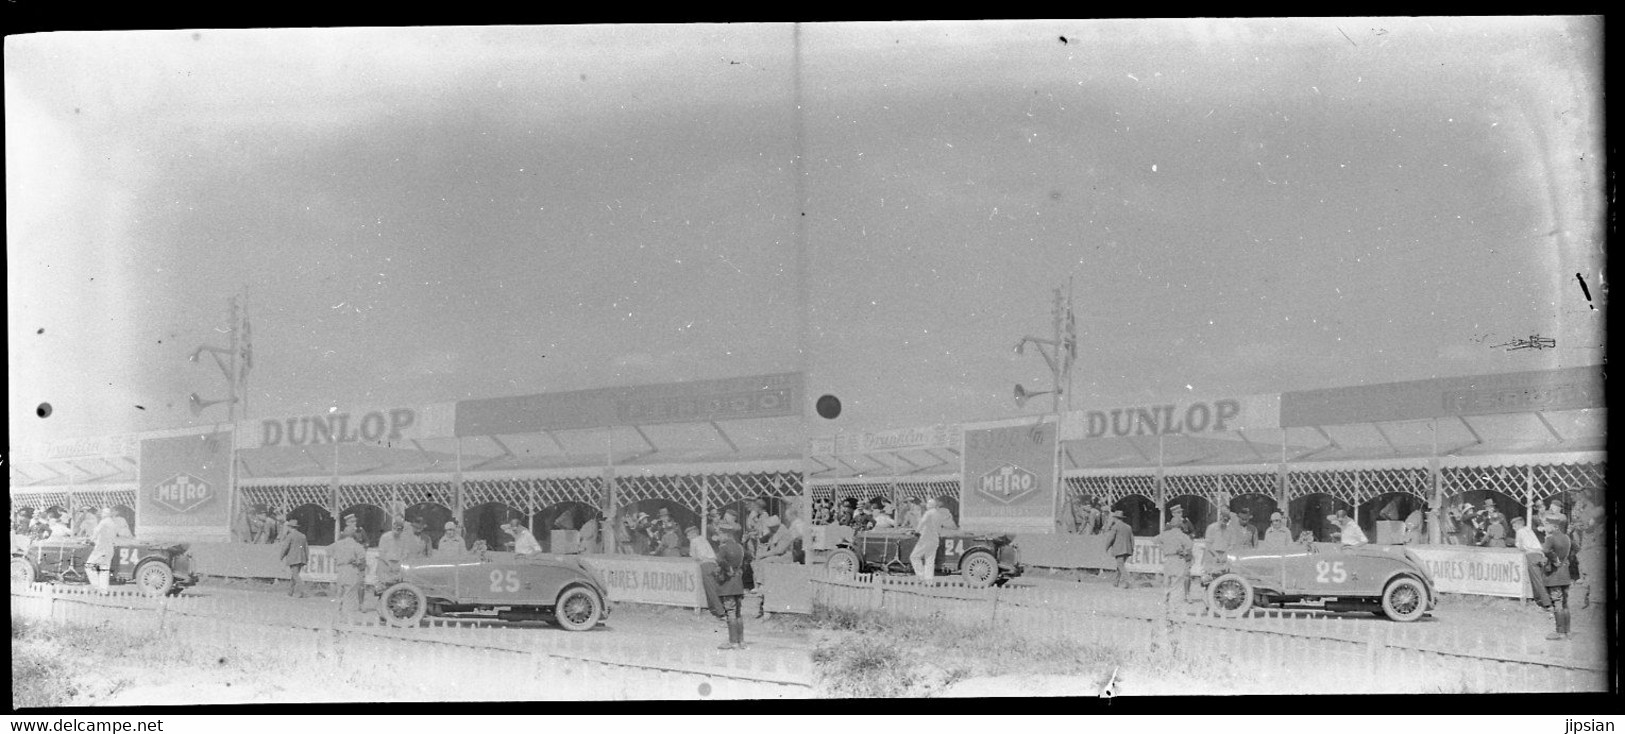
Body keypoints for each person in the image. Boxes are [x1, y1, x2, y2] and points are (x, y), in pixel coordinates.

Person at [1539, 516, 1574, 640]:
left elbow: (1545, 550)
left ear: (1554, 526)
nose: (1545, 527)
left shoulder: (1550, 538)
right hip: (1565, 575)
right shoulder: (1566, 538)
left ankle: (1560, 633)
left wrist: (1554, 560)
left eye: (1547, 524)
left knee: (1557, 602)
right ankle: (1567, 632)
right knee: (1565, 604)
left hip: (1554, 575)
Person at [713, 526, 748, 650]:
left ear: (726, 534)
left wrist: (728, 570)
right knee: (738, 613)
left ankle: (733, 642)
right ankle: (741, 641)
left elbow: (719, 560)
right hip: (738, 582)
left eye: (720, 534)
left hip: (728, 583)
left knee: (730, 612)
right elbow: (746, 559)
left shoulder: (723, 548)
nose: (719, 537)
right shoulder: (740, 547)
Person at [87, 507, 132, 593]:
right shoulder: (113, 523)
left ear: (104, 514)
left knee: (89, 566)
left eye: (102, 513)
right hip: (110, 548)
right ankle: (103, 589)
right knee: (104, 568)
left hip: (101, 548)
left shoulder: (103, 522)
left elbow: (96, 532)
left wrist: (90, 540)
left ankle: (96, 586)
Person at [1511, 516, 1552, 610]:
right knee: (1539, 579)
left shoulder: (1519, 532)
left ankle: (1547, 604)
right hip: (1540, 555)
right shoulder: (1529, 530)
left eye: (1514, 526)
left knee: (1537, 581)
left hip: (1531, 555)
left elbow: (1520, 547)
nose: (1513, 528)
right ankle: (1539, 601)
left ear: (1518, 525)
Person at [329, 528, 368, 624]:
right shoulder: (356, 545)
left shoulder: (337, 544)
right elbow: (362, 560)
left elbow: (327, 551)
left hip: (341, 570)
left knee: (339, 594)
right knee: (350, 595)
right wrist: (356, 561)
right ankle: (347, 620)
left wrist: (336, 557)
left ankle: (337, 618)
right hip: (351, 569)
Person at [910, 497, 952, 580]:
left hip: (926, 538)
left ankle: (921, 576)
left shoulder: (928, 513)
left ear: (929, 505)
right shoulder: (938, 514)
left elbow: (922, 522)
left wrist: (917, 531)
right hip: (935, 539)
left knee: (914, 556)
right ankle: (929, 579)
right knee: (930, 559)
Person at [1156, 520, 1195, 606]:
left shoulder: (1165, 534)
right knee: (1177, 583)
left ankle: (1165, 600)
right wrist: (1183, 551)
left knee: (1167, 580)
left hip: (1168, 558)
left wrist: (1163, 547)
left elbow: (1155, 540)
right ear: (1180, 526)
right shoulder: (1182, 535)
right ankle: (1174, 606)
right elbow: (1190, 546)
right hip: (1178, 558)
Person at [277, 517, 309, 598]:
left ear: (290, 527)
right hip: (302, 558)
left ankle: (303, 591)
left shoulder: (290, 536)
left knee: (295, 576)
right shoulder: (303, 536)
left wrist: (281, 556)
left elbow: (285, 547)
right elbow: (306, 548)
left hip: (293, 558)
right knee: (294, 575)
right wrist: (307, 558)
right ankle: (290, 592)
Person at [1104, 510, 1135, 589]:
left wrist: (1106, 548)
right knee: (1120, 566)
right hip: (1127, 549)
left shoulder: (1115, 527)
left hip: (1119, 549)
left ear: (1115, 518)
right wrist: (1132, 549)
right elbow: (1132, 539)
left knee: (1120, 565)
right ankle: (1115, 582)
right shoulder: (1128, 527)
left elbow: (1111, 538)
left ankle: (1128, 581)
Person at [376, 518, 407, 592]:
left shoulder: (403, 539)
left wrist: (399, 564)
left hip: (397, 566)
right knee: (383, 589)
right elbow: (381, 553)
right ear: (393, 528)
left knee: (396, 588)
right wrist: (389, 564)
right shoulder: (385, 537)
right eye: (395, 528)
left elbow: (405, 553)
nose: (397, 531)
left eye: (399, 529)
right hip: (385, 565)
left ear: (402, 530)